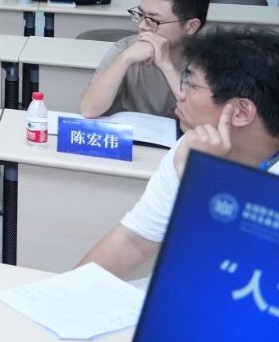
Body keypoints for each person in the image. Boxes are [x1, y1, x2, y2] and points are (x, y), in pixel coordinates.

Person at [77, 28, 279, 279]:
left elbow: (239, 271)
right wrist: (64, 293)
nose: (179, 94)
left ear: (240, 112)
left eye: (191, 85)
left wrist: (203, 182)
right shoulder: (192, 146)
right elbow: (134, 241)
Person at [79, 0, 208, 119]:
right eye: (140, 15)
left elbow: (200, 119)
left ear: (191, 26)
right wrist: (125, 59)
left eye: (154, 20)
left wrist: (166, 66)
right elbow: (89, 110)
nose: (142, 26)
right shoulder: (127, 48)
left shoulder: (210, 60)